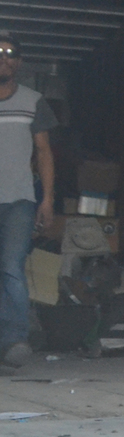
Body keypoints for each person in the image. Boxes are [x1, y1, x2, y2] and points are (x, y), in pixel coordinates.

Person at [0, 36, 56, 375]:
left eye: (10, 53)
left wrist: (47, 198)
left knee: (11, 269)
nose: (3, 58)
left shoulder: (33, 101)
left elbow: (44, 152)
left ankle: (15, 342)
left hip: (19, 201)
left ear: (19, 62)